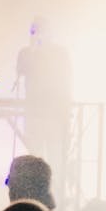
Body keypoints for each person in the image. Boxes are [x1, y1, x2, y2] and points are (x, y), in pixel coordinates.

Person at [14, 17, 71, 191]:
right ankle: (34, 193)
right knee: (34, 156)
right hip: (34, 113)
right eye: (33, 31)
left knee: (55, 159)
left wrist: (65, 114)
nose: (36, 35)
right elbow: (20, 70)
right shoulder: (26, 52)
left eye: (40, 31)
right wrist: (32, 51)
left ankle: (56, 194)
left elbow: (66, 80)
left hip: (54, 114)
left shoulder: (60, 53)